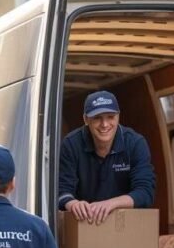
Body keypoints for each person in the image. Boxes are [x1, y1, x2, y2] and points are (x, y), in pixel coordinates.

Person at [57, 90, 156, 224]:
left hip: (126, 225)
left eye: (110, 117)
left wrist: (111, 204)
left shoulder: (135, 143)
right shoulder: (71, 144)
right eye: (97, 117)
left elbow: (145, 193)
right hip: (84, 223)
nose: (104, 124)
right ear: (86, 119)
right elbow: (61, 190)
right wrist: (73, 203)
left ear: (118, 116)